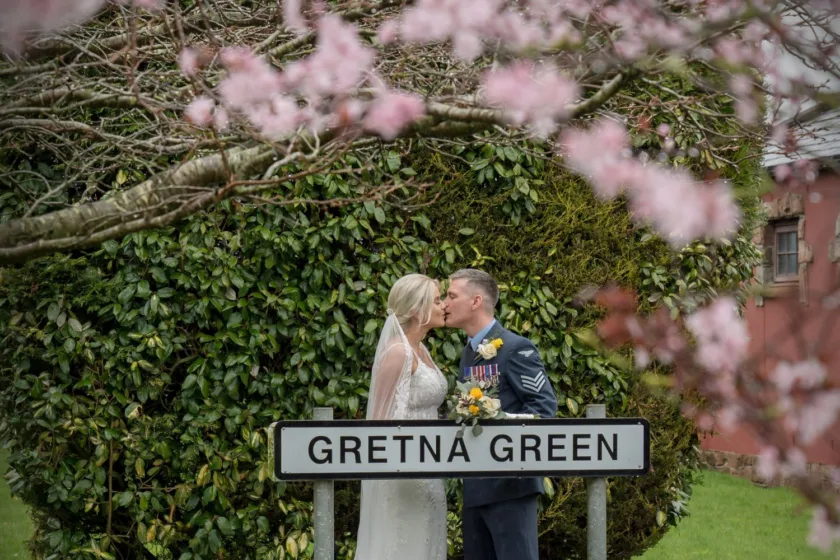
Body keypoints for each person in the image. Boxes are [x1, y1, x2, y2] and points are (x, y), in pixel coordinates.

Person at [444, 268, 558, 560]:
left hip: (510, 488)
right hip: (476, 486)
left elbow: (544, 409)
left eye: (452, 295)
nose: (445, 303)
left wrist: (499, 424)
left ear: (475, 301)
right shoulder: (469, 353)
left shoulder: (516, 349)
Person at [353, 273, 448, 560]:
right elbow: (379, 422)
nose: (444, 305)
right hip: (403, 471)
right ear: (418, 310)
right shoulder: (398, 353)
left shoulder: (423, 350)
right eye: (437, 300)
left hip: (429, 464)